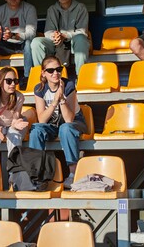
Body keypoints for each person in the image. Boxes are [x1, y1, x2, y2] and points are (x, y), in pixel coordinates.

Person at [28, 56, 87, 189]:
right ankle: (37, 173)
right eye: (50, 70)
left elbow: (69, 119)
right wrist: (54, 102)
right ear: (43, 73)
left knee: (65, 128)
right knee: (36, 129)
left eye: (58, 69)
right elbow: (42, 119)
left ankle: (72, 173)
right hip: (53, 125)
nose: (55, 73)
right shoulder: (39, 89)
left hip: (74, 123)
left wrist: (61, 99)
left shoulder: (69, 85)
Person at [31, 0, 89, 77]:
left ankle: (81, 77)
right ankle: (41, 78)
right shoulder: (52, 9)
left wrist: (65, 36)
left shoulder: (80, 8)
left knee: (81, 39)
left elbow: (82, 31)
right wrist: (55, 36)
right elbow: (48, 31)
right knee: (36, 42)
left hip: (73, 42)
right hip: (56, 42)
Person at [0, 67, 29, 158]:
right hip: (0, 126)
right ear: (0, 82)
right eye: (8, 81)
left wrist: (15, 125)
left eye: (15, 81)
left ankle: (14, 169)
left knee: (13, 132)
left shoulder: (19, 96)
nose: (13, 84)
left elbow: (16, 118)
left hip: (14, 124)